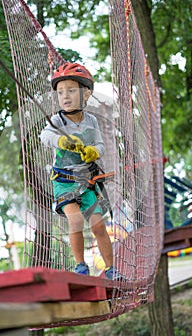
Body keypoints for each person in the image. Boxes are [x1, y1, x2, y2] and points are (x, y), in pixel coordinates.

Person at [40, 62, 125, 280]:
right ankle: (80, 265)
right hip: (64, 180)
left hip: (86, 182)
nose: (65, 96)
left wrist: (93, 152)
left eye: (70, 90)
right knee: (75, 220)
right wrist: (61, 140)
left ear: (85, 94)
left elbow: (100, 144)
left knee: (98, 225)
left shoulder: (92, 121)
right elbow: (45, 136)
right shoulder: (57, 120)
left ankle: (111, 269)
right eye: (60, 92)